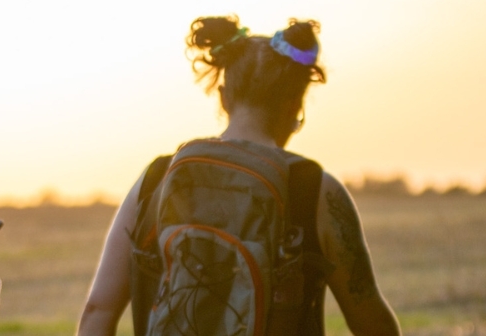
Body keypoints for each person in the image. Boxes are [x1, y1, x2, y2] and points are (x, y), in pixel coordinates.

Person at [77, 16, 400, 336]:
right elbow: (371, 321)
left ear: (224, 97)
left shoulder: (158, 178)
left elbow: (98, 311)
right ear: (294, 106)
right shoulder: (312, 189)